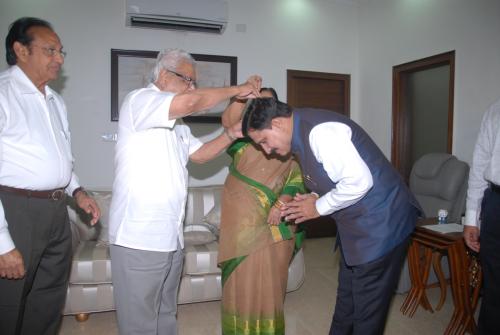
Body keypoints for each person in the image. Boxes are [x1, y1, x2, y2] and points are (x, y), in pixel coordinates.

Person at [108, 48, 261, 335]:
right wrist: (237, 91)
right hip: (139, 239)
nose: (192, 87)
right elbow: (192, 101)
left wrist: (231, 134)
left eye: (194, 82)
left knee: (165, 314)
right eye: (187, 80)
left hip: (170, 238)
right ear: (164, 75)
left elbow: (201, 155)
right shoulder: (140, 100)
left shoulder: (177, 125)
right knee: (139, 323)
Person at [240, 98, 421, 335]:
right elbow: (331, 175)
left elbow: (359, 181)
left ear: (278, 123)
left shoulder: (320, 133)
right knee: (347, 300)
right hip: (358, 225)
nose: (266, 150)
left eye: (264, 140)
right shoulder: (301, 134)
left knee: (367, 313)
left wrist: (318, 207)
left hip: (382, 223)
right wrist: (314, 197)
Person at [0, 17, 101, 335]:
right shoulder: (3, 94)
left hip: (57, 211)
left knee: (48, 298)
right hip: (16, 210)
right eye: (50, 50)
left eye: (61, 51)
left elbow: (62, 162)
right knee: (9, 301)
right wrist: (2, 244)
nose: (59, 58)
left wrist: (79, 192)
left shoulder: (56, 101)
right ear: (21, 50)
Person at [218, 88, 305, 335]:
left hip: (277, 218)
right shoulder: (242, 138)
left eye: (266, 101)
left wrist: (280, 204)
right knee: (240, 279)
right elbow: (227, 122)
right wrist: (240, 95)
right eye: (255, 102)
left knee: (271, 282)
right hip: (241, 218)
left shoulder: (288, 141)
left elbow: (297, 176)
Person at [463, 97, 500, 335]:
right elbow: (479, 165)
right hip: (496, 202)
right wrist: (471, 218)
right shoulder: (496, 110)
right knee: (494, 288)